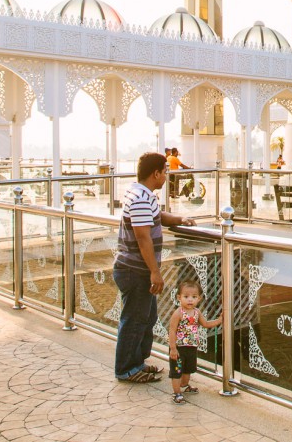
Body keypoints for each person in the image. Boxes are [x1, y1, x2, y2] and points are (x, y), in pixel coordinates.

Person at [113, 151, 195, 383]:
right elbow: (142, 237)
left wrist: (179, 219)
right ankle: (126, 368)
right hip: (135, 269)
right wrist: (155, 272)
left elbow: (157, 217)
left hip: (136, 268)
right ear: (156, 173)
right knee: (134, 319)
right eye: (165, 171)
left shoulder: (141, 194)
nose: (167, 176)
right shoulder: (140, 197)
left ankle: (137, 362)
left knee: (146, 318)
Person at [166, 279, 221, 404]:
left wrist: (219, 320)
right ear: (179, 297)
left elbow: (205, 324)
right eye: (186, 296)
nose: (190, 300)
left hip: (191, 347)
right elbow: (172, 331)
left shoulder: (197, 312)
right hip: (179, 348)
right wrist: (173, 348)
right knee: (177, 371)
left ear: (199, 299)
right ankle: (176, 393)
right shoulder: (178, 313)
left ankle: (184, 386)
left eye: (194, 297)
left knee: (188, 370)